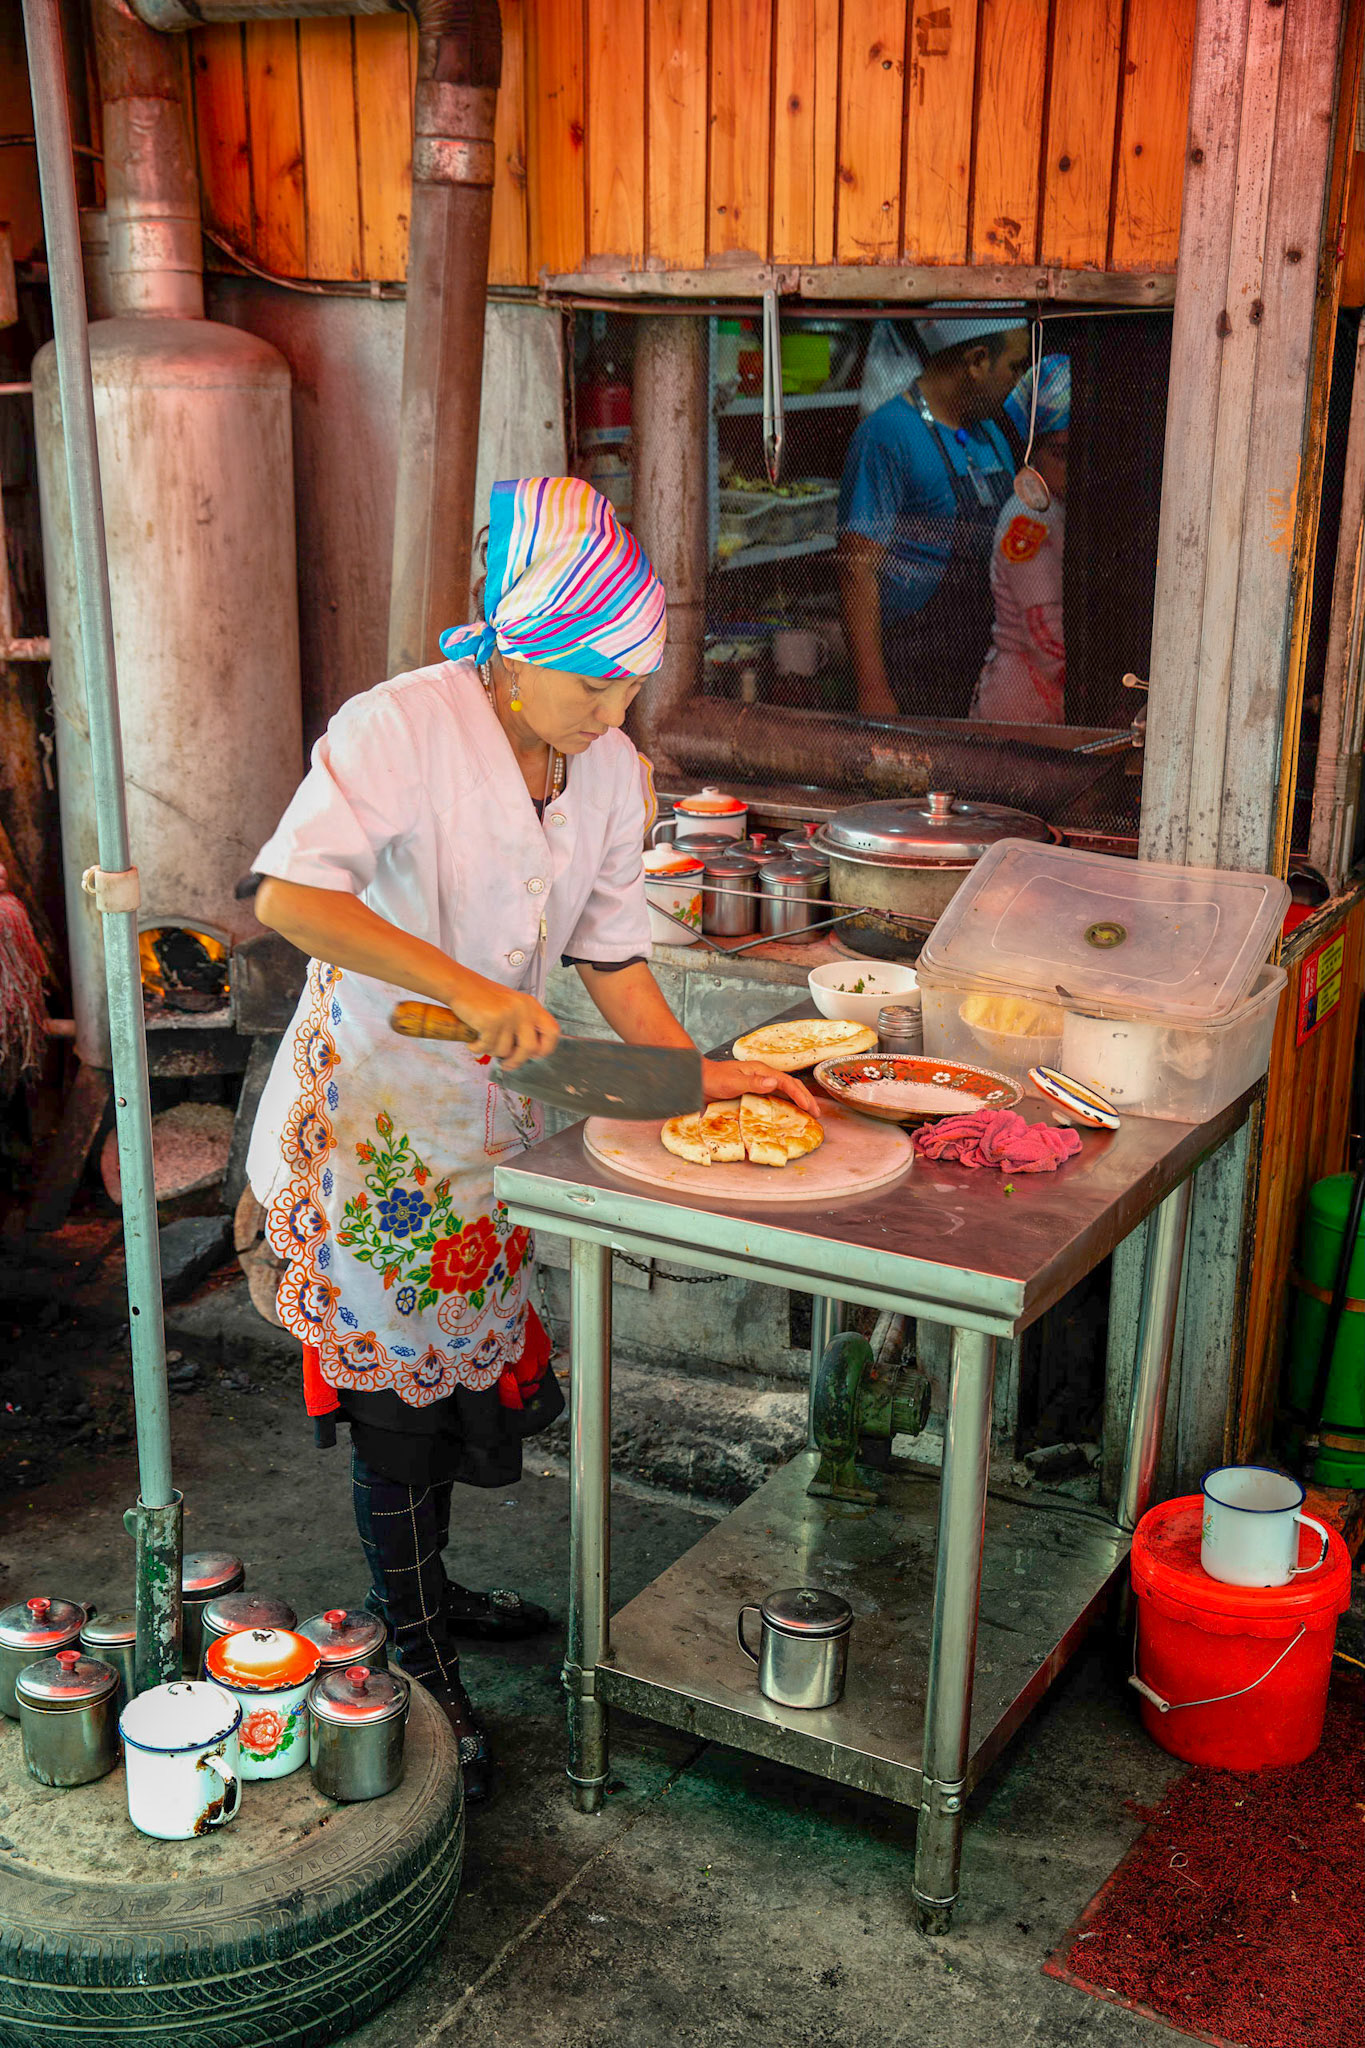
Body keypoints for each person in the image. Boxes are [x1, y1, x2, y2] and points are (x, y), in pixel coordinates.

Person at [245, 476, 816, 1802]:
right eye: (589, 684)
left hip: (490, 1119)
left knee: (452, 1387)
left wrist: (695, 1079)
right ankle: (418, 1655)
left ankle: (427, 1595)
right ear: (511, 647)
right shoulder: (399, 728)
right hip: (373, 1113)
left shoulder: (608, 767)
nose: (613, 714)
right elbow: (288, 893)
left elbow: (613, 955)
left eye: (628, 687)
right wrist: (475, 991)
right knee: (394, 1396)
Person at [836, 318, 1031, 721]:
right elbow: (857, 568)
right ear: (977, 361)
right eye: (1014, 366)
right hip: (912, 668)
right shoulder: (888, 434)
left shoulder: (991, 432)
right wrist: (874, 691)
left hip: (981, 663)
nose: (1019, 379)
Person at [970, 353, 1070, 726]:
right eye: (1059, 453)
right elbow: (1045, 632)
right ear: (1032, 450)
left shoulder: (1060, 508)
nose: (1070, 467)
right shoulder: (1028, 517)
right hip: (1022, 698)